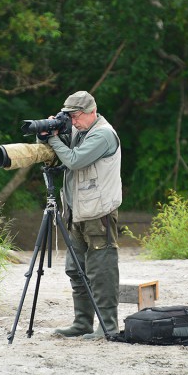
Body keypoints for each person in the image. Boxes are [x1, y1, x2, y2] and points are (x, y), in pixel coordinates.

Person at [42, 90, 122, 339]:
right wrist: (47, 134)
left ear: (91, 112)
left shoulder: (103, 134)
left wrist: (55, 139)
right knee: (76, 270)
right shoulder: (80, 130)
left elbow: (74, 160)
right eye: (70, 117)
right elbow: (57, 157)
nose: (73, 122)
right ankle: (82, 323)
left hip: (99, 213)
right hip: (75, 210)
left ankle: (108, 326)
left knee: (100, 270)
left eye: (76, 116)